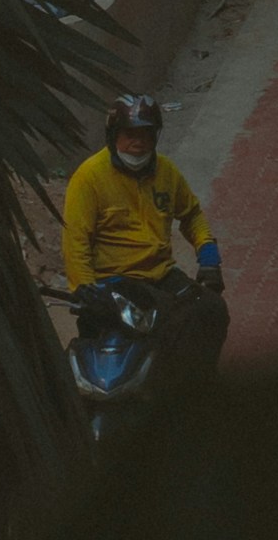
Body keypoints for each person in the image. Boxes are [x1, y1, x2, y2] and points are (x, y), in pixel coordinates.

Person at [63, 96, 226, 374]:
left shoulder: (166, 172)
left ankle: (199, 383)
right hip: (113, 280)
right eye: (130, 134)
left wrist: (209, 255)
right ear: (113, 135)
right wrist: (85, 290)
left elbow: (191, 214)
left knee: (213, 310)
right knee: (165, 324)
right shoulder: (89, 177)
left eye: (146, 134)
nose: (138, 142)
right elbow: (75, 240)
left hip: (160, 276)